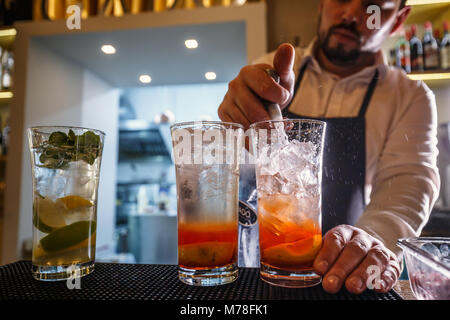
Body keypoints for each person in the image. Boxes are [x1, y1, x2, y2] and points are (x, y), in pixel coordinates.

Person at [219, 0, 440, 294]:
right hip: (257, 277)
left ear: (398, 20)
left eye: (374, 6)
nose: (351, 14)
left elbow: (408, 183)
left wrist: (370, 240)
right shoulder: (270, 72)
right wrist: (235, 121)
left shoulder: (410, 96)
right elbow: (230, 173)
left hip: (346, 281)